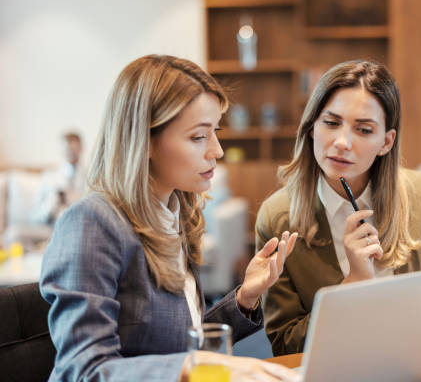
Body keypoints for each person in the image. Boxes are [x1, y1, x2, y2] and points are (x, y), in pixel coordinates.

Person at [40, 55, 300, 382]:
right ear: (145, 140)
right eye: (198, 137)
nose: (217, 150)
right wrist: (193, 368)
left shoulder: (175, 213)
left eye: (215, 132)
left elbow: (177, 339)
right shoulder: (92, 223)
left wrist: (245, 297)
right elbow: (84, 370)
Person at [255, 60, 421, 356]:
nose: (342, 142)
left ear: (386, 142)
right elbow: (286, 344)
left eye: (364, 130)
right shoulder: (277, 217)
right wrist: (352, 284)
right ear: (312, 127)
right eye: (330, 123)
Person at [31, 131, 86, 224]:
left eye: (74, 148)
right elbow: (34, 216)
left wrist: (78, 200)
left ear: (81, 148)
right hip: (51, 226)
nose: (71, 152)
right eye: (67, 148)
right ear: (61, 150)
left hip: (79, 224)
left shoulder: (91, 178)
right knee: (15, 233)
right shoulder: (49, 177)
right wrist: (52, 203)